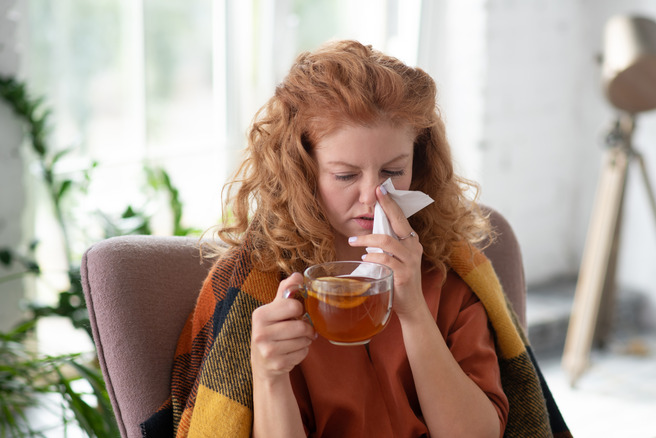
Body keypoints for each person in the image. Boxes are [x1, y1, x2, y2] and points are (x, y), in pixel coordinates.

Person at [142, 40, 570, 438]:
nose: (372, 196)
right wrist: (268, 373)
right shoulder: (261, 291)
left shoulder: (450, 275)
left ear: (418, 164)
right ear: (301, 170)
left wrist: (415, 311)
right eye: (346, 175)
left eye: (392, 171)